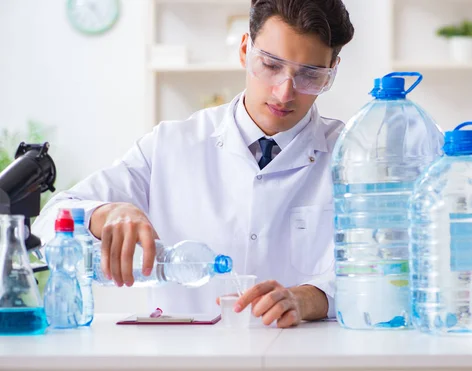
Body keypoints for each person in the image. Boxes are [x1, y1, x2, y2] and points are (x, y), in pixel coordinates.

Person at [32, 0, 354, 328]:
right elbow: (46, 224)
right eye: (271, 65)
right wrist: (105, 214)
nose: (285, 92)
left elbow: (392, 269)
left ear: (331, 73)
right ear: (245, 50)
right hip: (182, 366)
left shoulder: (354, 156)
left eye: (309, 75)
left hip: (308, 367)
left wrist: (311, 297)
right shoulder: (170, 145)